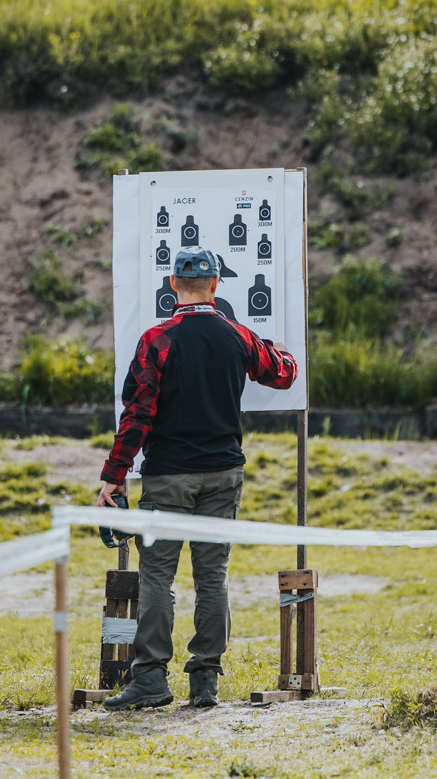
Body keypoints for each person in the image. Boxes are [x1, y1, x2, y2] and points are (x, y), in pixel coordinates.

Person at [94, 248, 298, 711]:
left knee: (157, 577)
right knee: (212, 577)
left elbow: (137, 415)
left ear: (173, 286)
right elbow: (283, 375)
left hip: (167, 476)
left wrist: (114, 477)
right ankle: (204, 679)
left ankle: (149, 678)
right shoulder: (237, 335)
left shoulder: (157, 339)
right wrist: (282, 354)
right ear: (216, 284)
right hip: (224, 473)